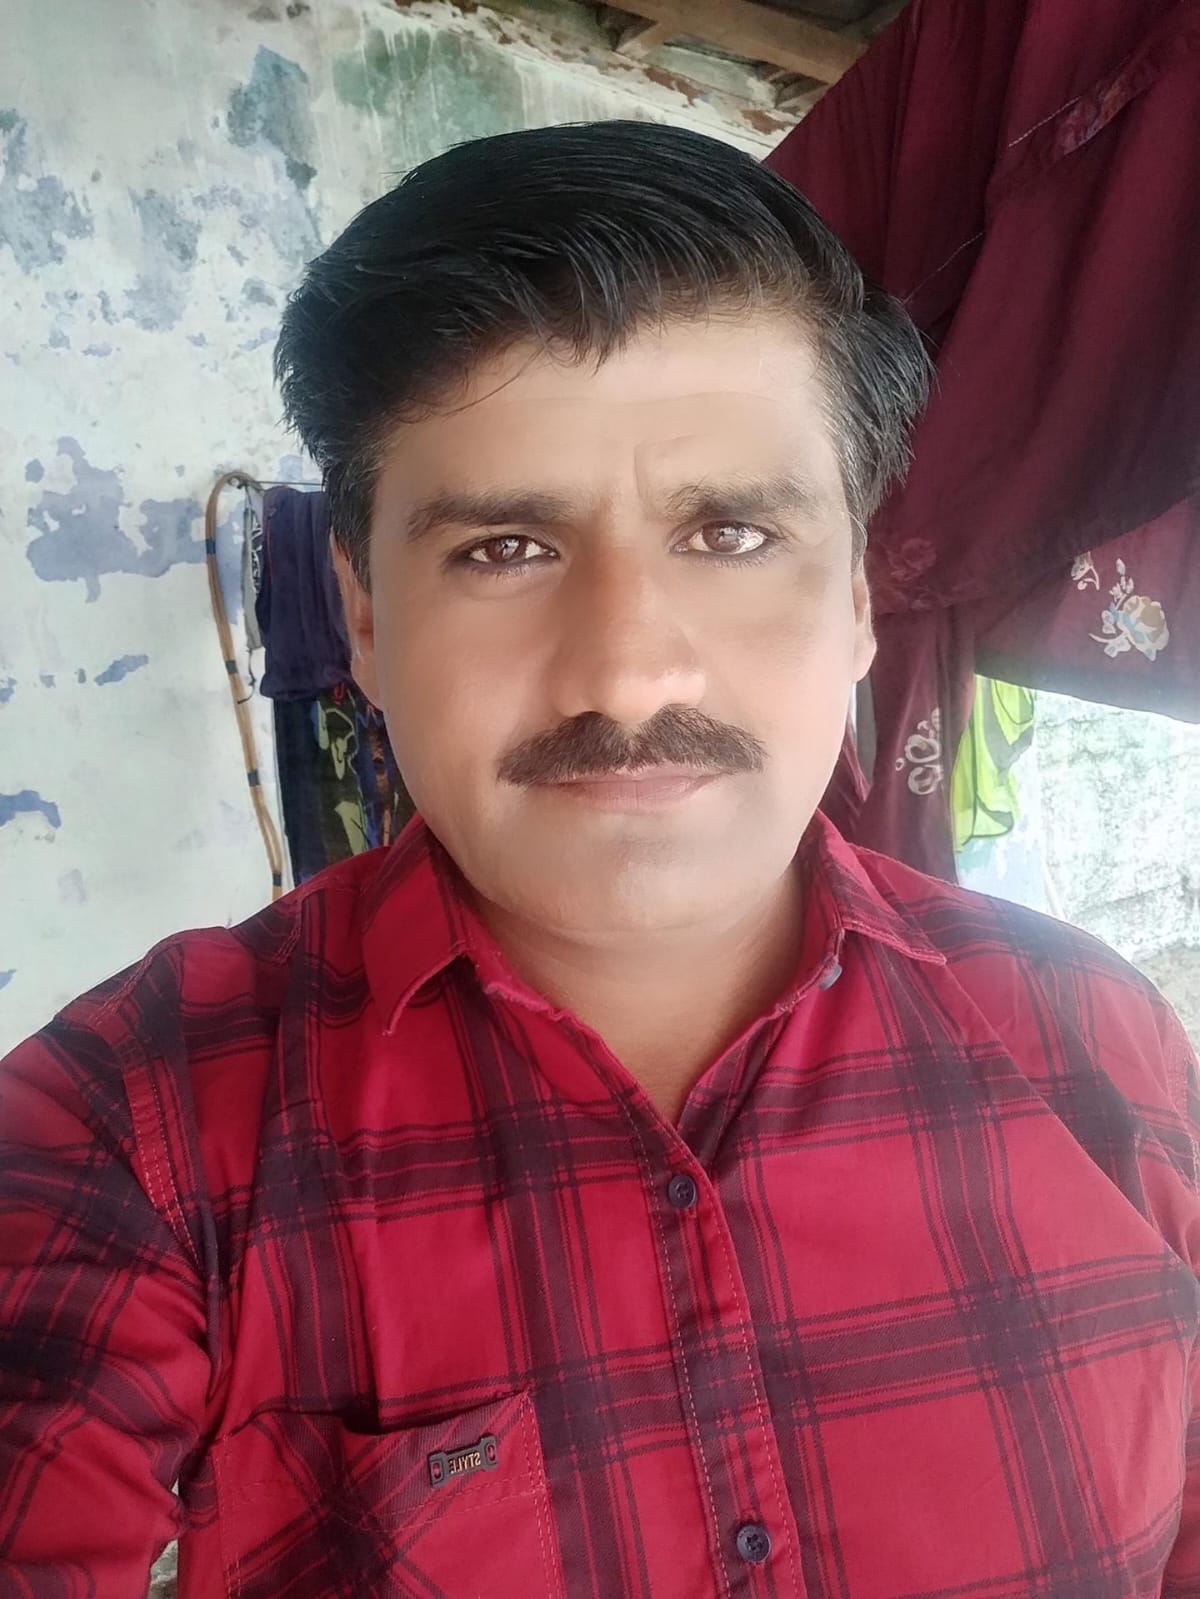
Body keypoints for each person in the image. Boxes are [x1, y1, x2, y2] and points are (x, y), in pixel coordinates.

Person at [1, 120, 1197, 1599]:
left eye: (734, 534)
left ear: (859, 599)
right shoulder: (137, 1125)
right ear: (362, 616)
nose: (626, 674)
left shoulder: (1097, 1044)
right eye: (505, 550)